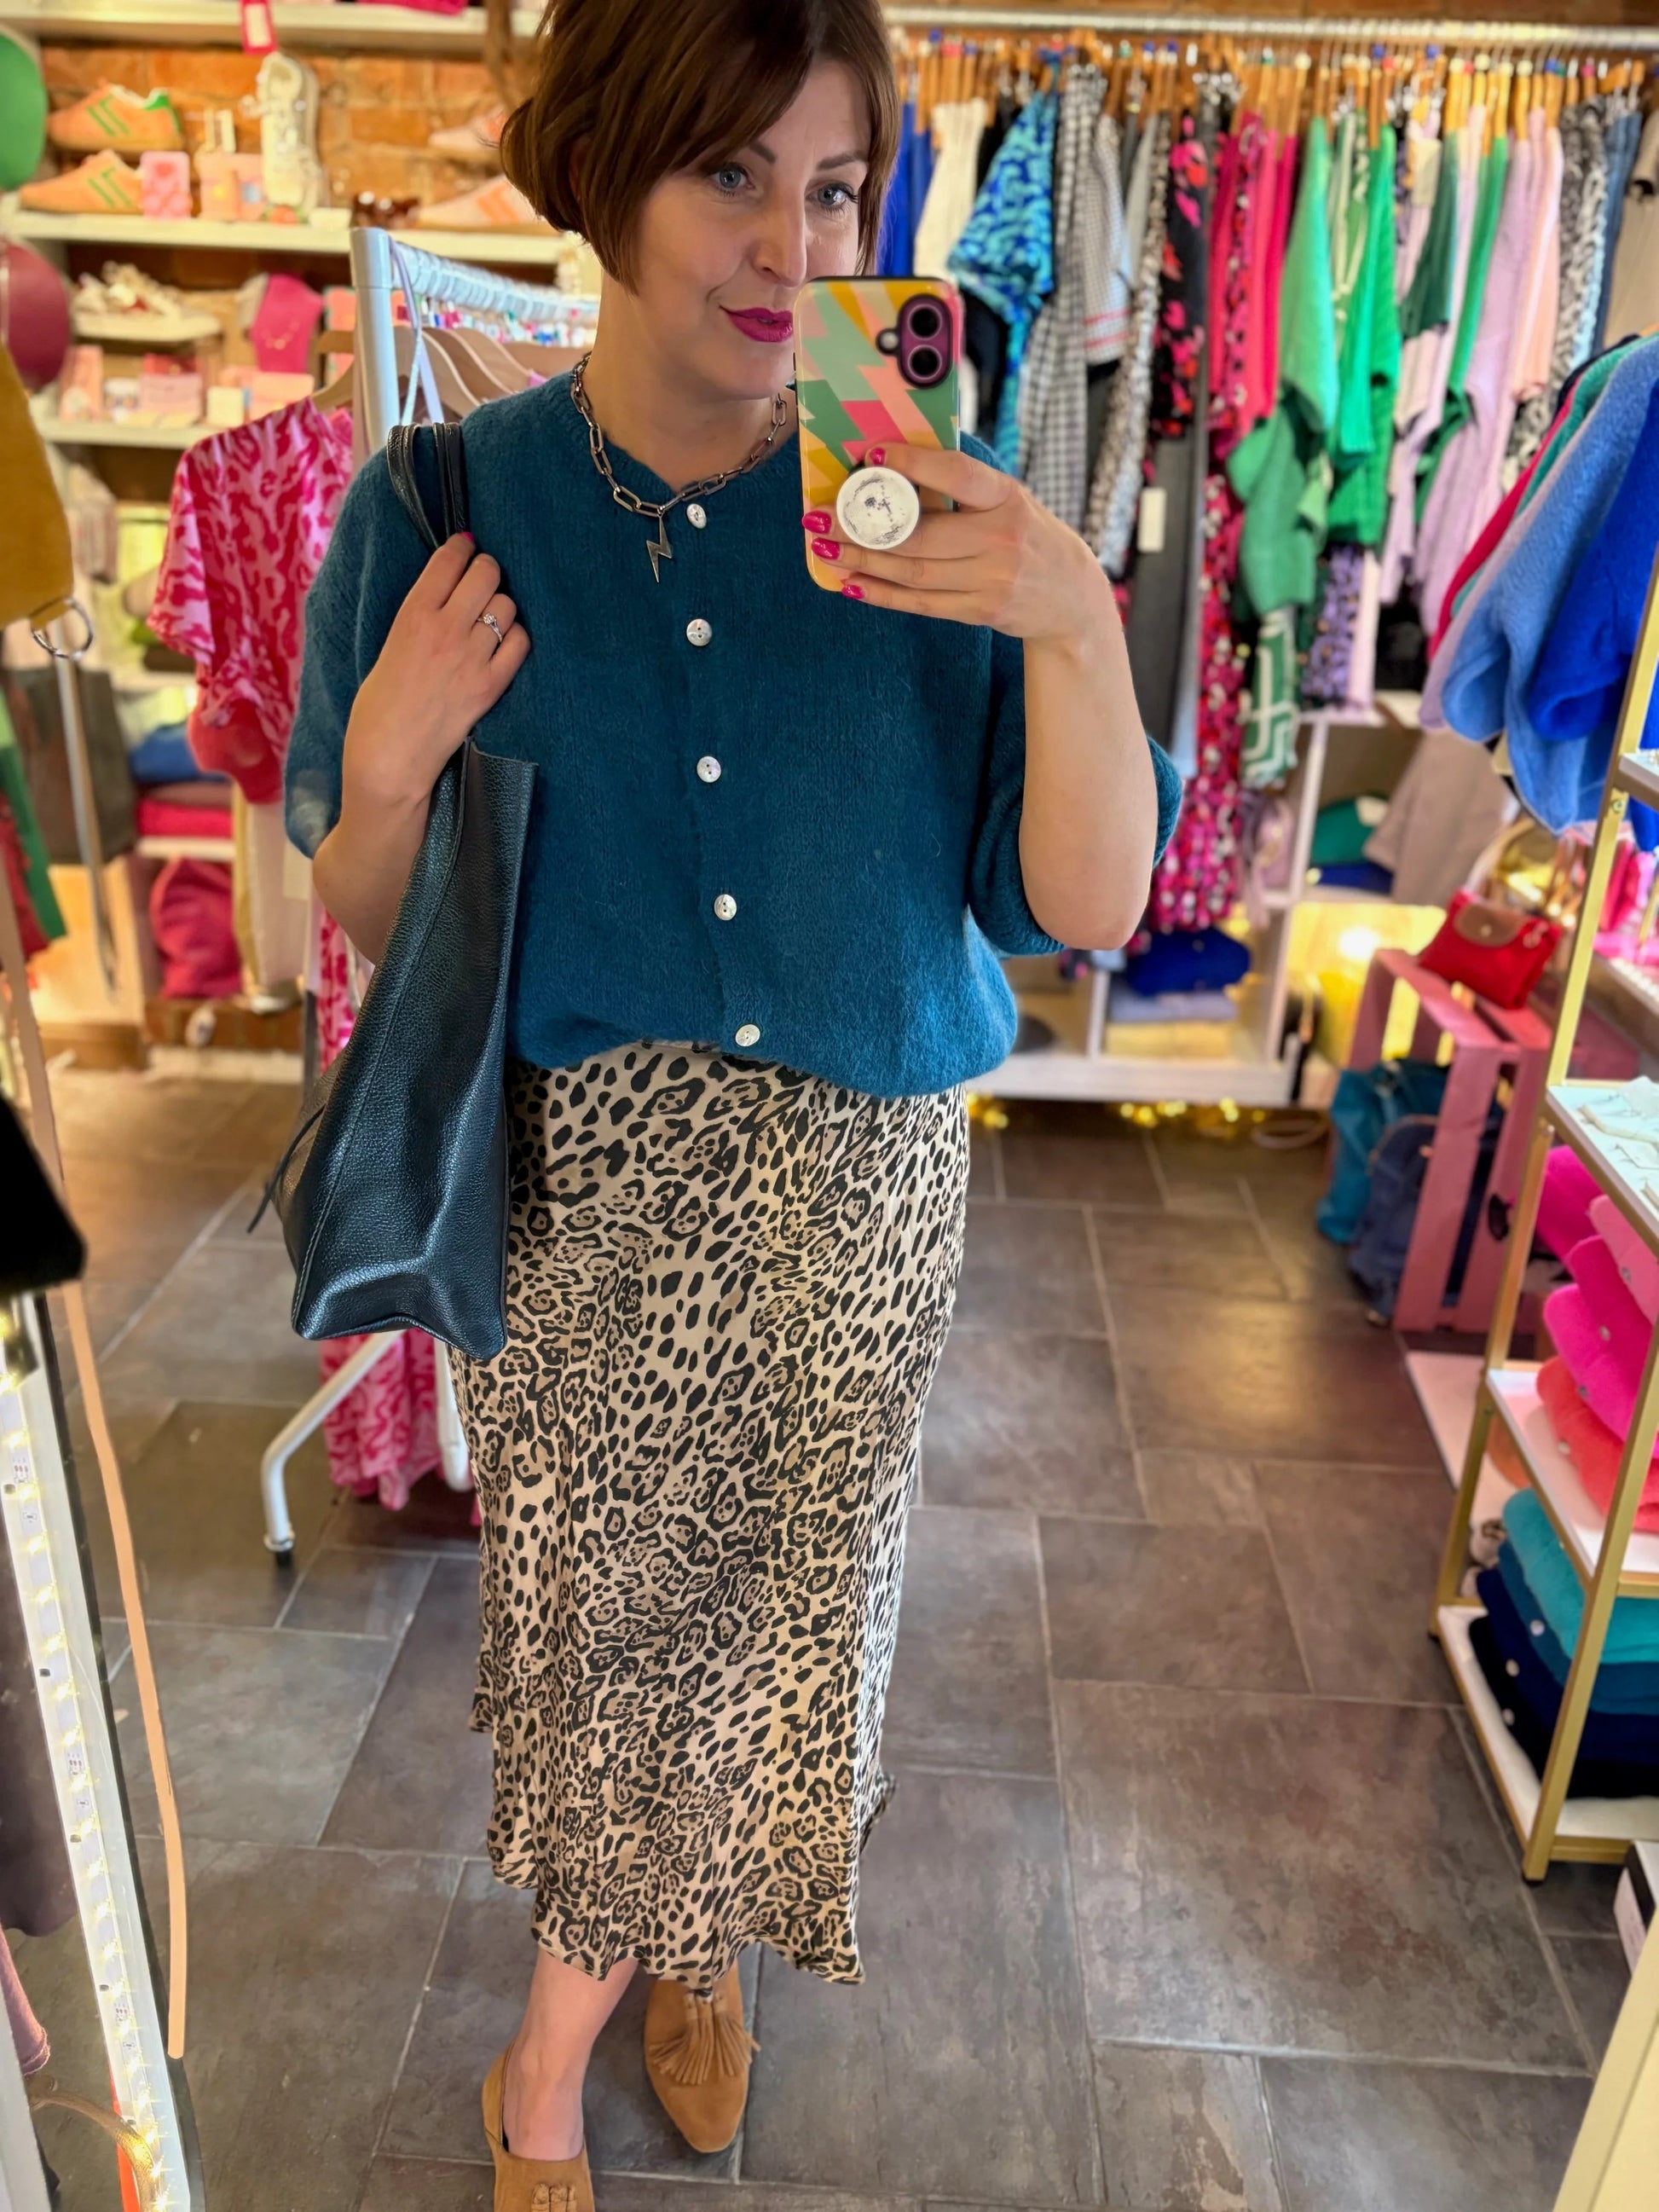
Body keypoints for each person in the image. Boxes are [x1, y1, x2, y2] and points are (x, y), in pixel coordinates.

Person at [286, 2, 1177, 2204]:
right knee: (619, 1639)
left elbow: (1076, 901)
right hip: (602, 1189)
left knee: (798, 1627)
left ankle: (693, 1961)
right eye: (731, 174)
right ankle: (542, 2061)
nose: (795, 241)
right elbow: (382, 910)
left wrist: (1075, 624)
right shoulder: (444, 503)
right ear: (605, 178)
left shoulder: (927, 493)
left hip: (869, 1177)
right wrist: (388, 765)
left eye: (840, 187)